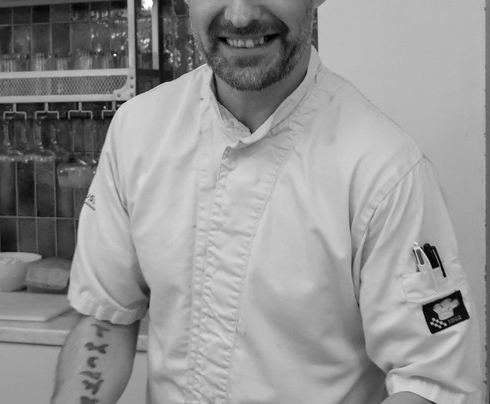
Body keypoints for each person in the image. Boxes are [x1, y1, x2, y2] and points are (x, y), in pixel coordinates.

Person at [51, 0, 484, 403]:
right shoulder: (138, 131)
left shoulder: (385, 170)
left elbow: (430, 382)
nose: (240, 16)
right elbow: (106, 318)